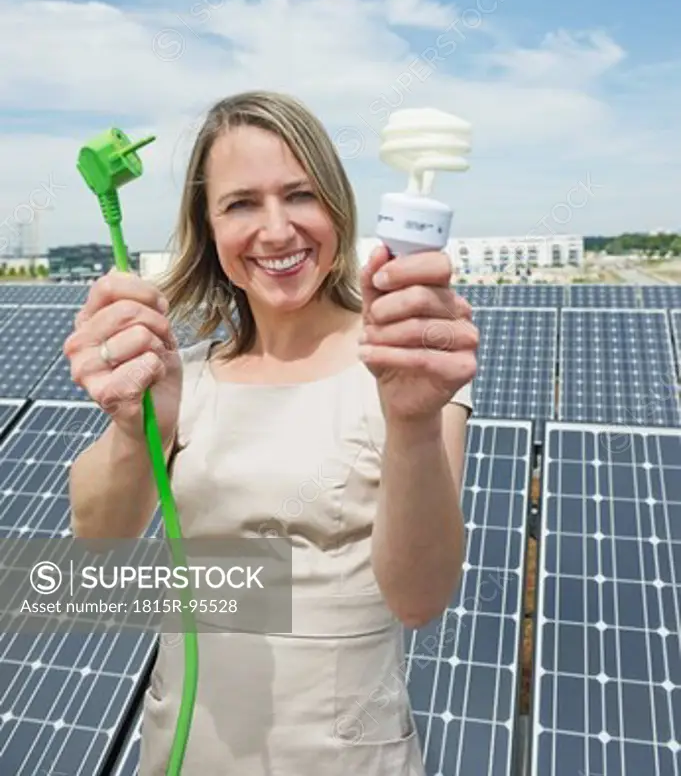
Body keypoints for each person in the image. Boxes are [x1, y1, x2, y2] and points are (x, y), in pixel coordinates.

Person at [65, 90, 479, 775]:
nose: (277, 229)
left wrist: (410, 423)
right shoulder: (179, 378)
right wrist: (139, 430)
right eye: (240, 204)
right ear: (208, 227)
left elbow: (418, 598)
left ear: (338, 207)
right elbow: (98, 546)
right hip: (184, 751)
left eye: (299, 195)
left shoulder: (406, 365)